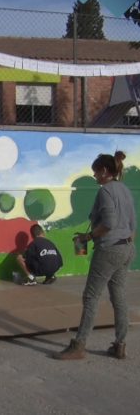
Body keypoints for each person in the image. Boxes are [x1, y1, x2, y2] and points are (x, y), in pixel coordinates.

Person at [54, 152, 136, 360]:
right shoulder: (125, 189)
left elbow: (108, 223)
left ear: (104, 171)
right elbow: (132, 224)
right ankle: (120, 344)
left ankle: (79, 345)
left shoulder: (106, 192)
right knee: (118, 295)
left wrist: (88, 236)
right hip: (126, 247)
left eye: (95, 173)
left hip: (109, 249)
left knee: (91, 296)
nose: (94, 177)